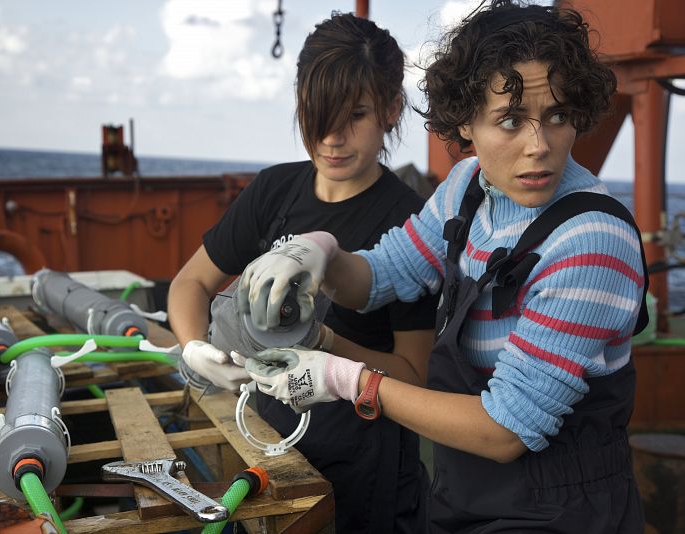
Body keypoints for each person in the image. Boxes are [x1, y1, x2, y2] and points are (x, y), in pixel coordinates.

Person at [238, 1, 649, 532]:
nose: (539, 146)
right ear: (466, 122)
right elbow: (383, 275)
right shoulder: (468, 188)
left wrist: (350, 381)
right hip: (465, 496)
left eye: (557, 116)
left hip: (562, 512)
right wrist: (321, 252)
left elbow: (507, 431)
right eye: (509, 120)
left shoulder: (593, 241)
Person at [167, 12, 438, 533]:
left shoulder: (409, 223)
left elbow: (414, 377)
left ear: (391, 109)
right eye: (318, 114)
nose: (332, 137)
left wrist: (325, 343)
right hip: (264, 451)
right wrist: (193, 346)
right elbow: (191, 283)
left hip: (366, 470)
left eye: (355, 114)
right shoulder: (275, 191)